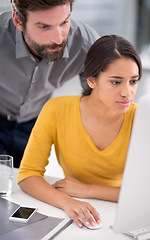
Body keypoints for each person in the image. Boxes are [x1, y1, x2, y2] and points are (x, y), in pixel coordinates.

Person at [18, 35, 142, 228]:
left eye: (133, 81)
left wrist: (88, 190)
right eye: (116, 82)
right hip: (74, 212)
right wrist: (67, 202)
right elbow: (28, 175)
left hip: (123, 213)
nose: (127, 92)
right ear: (92, 80)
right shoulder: (57, 110)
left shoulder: (142, 119)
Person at [0, 0, 99, 168]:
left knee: (23, 186)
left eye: (64, 22)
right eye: (44, 27)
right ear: (18, 21)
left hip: (34, 126)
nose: (59, 38)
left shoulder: (86, 45)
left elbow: (100, 102)